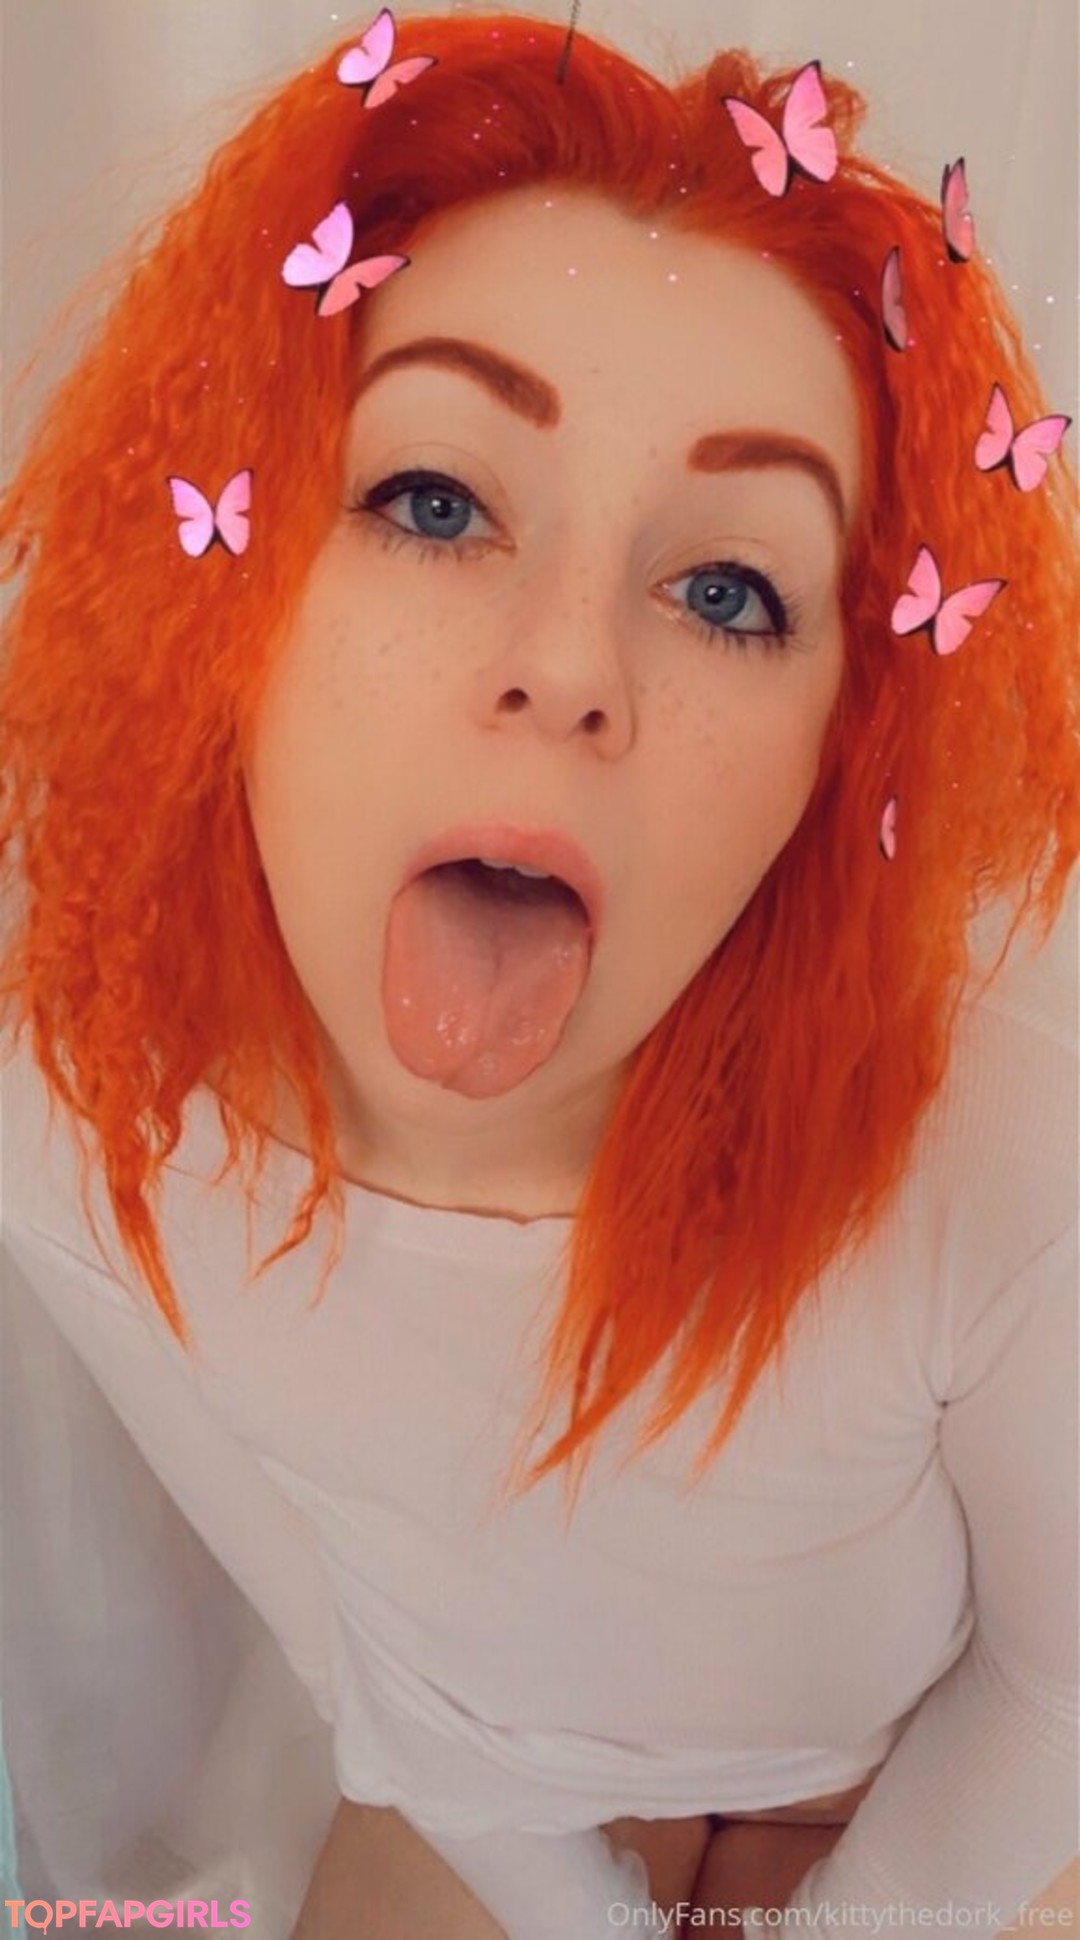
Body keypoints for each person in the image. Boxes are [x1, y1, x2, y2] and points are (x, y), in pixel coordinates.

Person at [1, 10, 1077, 1938]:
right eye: (435, 499)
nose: (570, 666)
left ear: (840, 748)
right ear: (226, 588)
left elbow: (1065, 1687)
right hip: (485, 1805)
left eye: (729, 589)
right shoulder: (71, 1118)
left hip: (922, 1788)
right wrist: (581, 1909)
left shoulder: (996, 1145)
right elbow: (348, 1645)